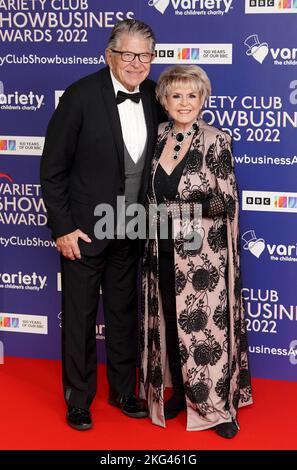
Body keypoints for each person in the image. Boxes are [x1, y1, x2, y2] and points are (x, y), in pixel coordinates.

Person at [40, 19, 163, 431]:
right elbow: (53, 169)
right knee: (78, 318)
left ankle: (124, 391)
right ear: (109, 54)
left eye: (144, 55)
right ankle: (78, 399)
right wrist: (62, 228)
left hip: (131, 228)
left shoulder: (153, 94)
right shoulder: (79, 96)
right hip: (84, 231)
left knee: (124, 313)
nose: (136, 63)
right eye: (128, 54)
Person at [139, 65, 253, 438]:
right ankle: (181, 395)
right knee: (171, 322)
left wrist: (181, 211)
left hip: (204, 257)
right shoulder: (155, 137)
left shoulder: (216, 139)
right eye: (176, 95)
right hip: (162, 250)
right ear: (164, 100)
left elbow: (227, 202)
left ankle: (216, 408)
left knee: (206, 331)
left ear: (203, 99)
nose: (184, 102)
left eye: (192, 95)